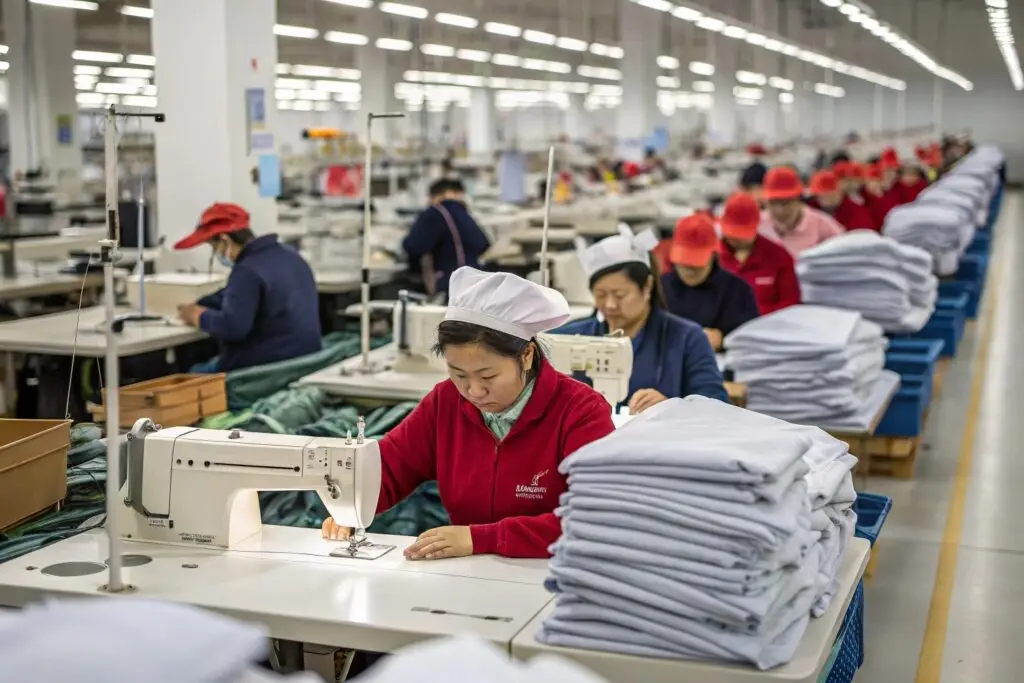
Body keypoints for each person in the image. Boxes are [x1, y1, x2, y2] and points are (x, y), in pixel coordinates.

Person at [322, 267, 614, 559]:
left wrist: (482, 538)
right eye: (459, 374)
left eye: (487, 376)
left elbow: (596, 518)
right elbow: (393, 465)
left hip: (559, 573)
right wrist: (353, 504)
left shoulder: (581, 412)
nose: (473, 391)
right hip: (468, 573)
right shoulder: (445, 402)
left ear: (526, 355)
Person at [553, 225, 728, 414]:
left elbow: (716, 404)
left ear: (647, 286)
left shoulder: (687, 338)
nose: (610, 304)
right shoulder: (573, 336)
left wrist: (672, 407)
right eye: (601, 295)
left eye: (619, 295)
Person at [174, 202, 321, 373]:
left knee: (190, 373)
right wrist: (204, 302)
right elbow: (240, 295)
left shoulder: (246, 270)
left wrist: (198, 316)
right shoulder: (290, 255)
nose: (217, 254)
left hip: (263, 371)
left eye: (214, 248)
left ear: (224, 240)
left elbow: (233, 328)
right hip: (303, 362)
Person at [660, 214, 760, 349]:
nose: (689, 271)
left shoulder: (737, 292)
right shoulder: (659, 289)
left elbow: (753, 341)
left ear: (714, 256)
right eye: (684, 264)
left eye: (696, 266)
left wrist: (722, 340)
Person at [402, 178, 490, 298]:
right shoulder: (464, 214)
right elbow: (483, 244)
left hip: (449, 284)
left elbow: (414, 246)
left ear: (437, 195)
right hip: (474, 283)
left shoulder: (436, 212)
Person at [717, 192, 801, 315]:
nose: (737, 239)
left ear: (757, 227)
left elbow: (789, 301)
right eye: (733, 233)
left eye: (743, 234)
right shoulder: (711, 257)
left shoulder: (779, 256)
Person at [758, 166, 843, 256]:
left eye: (786, 203)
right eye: (773, 203)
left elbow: (846, 250)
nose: (780, 210)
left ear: (798, 200)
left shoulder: (821, 224)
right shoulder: (758, 225)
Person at [807, 170, 874, 232]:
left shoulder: (857, 212)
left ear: (838, 192)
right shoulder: (811, 209)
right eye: (818, 195)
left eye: (826, 194)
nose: (821, 198)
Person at [861, 163, 898, 231]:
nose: (874, 184)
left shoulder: (888, 196)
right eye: (871, 181)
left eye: (877, 181)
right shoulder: (862, 198)